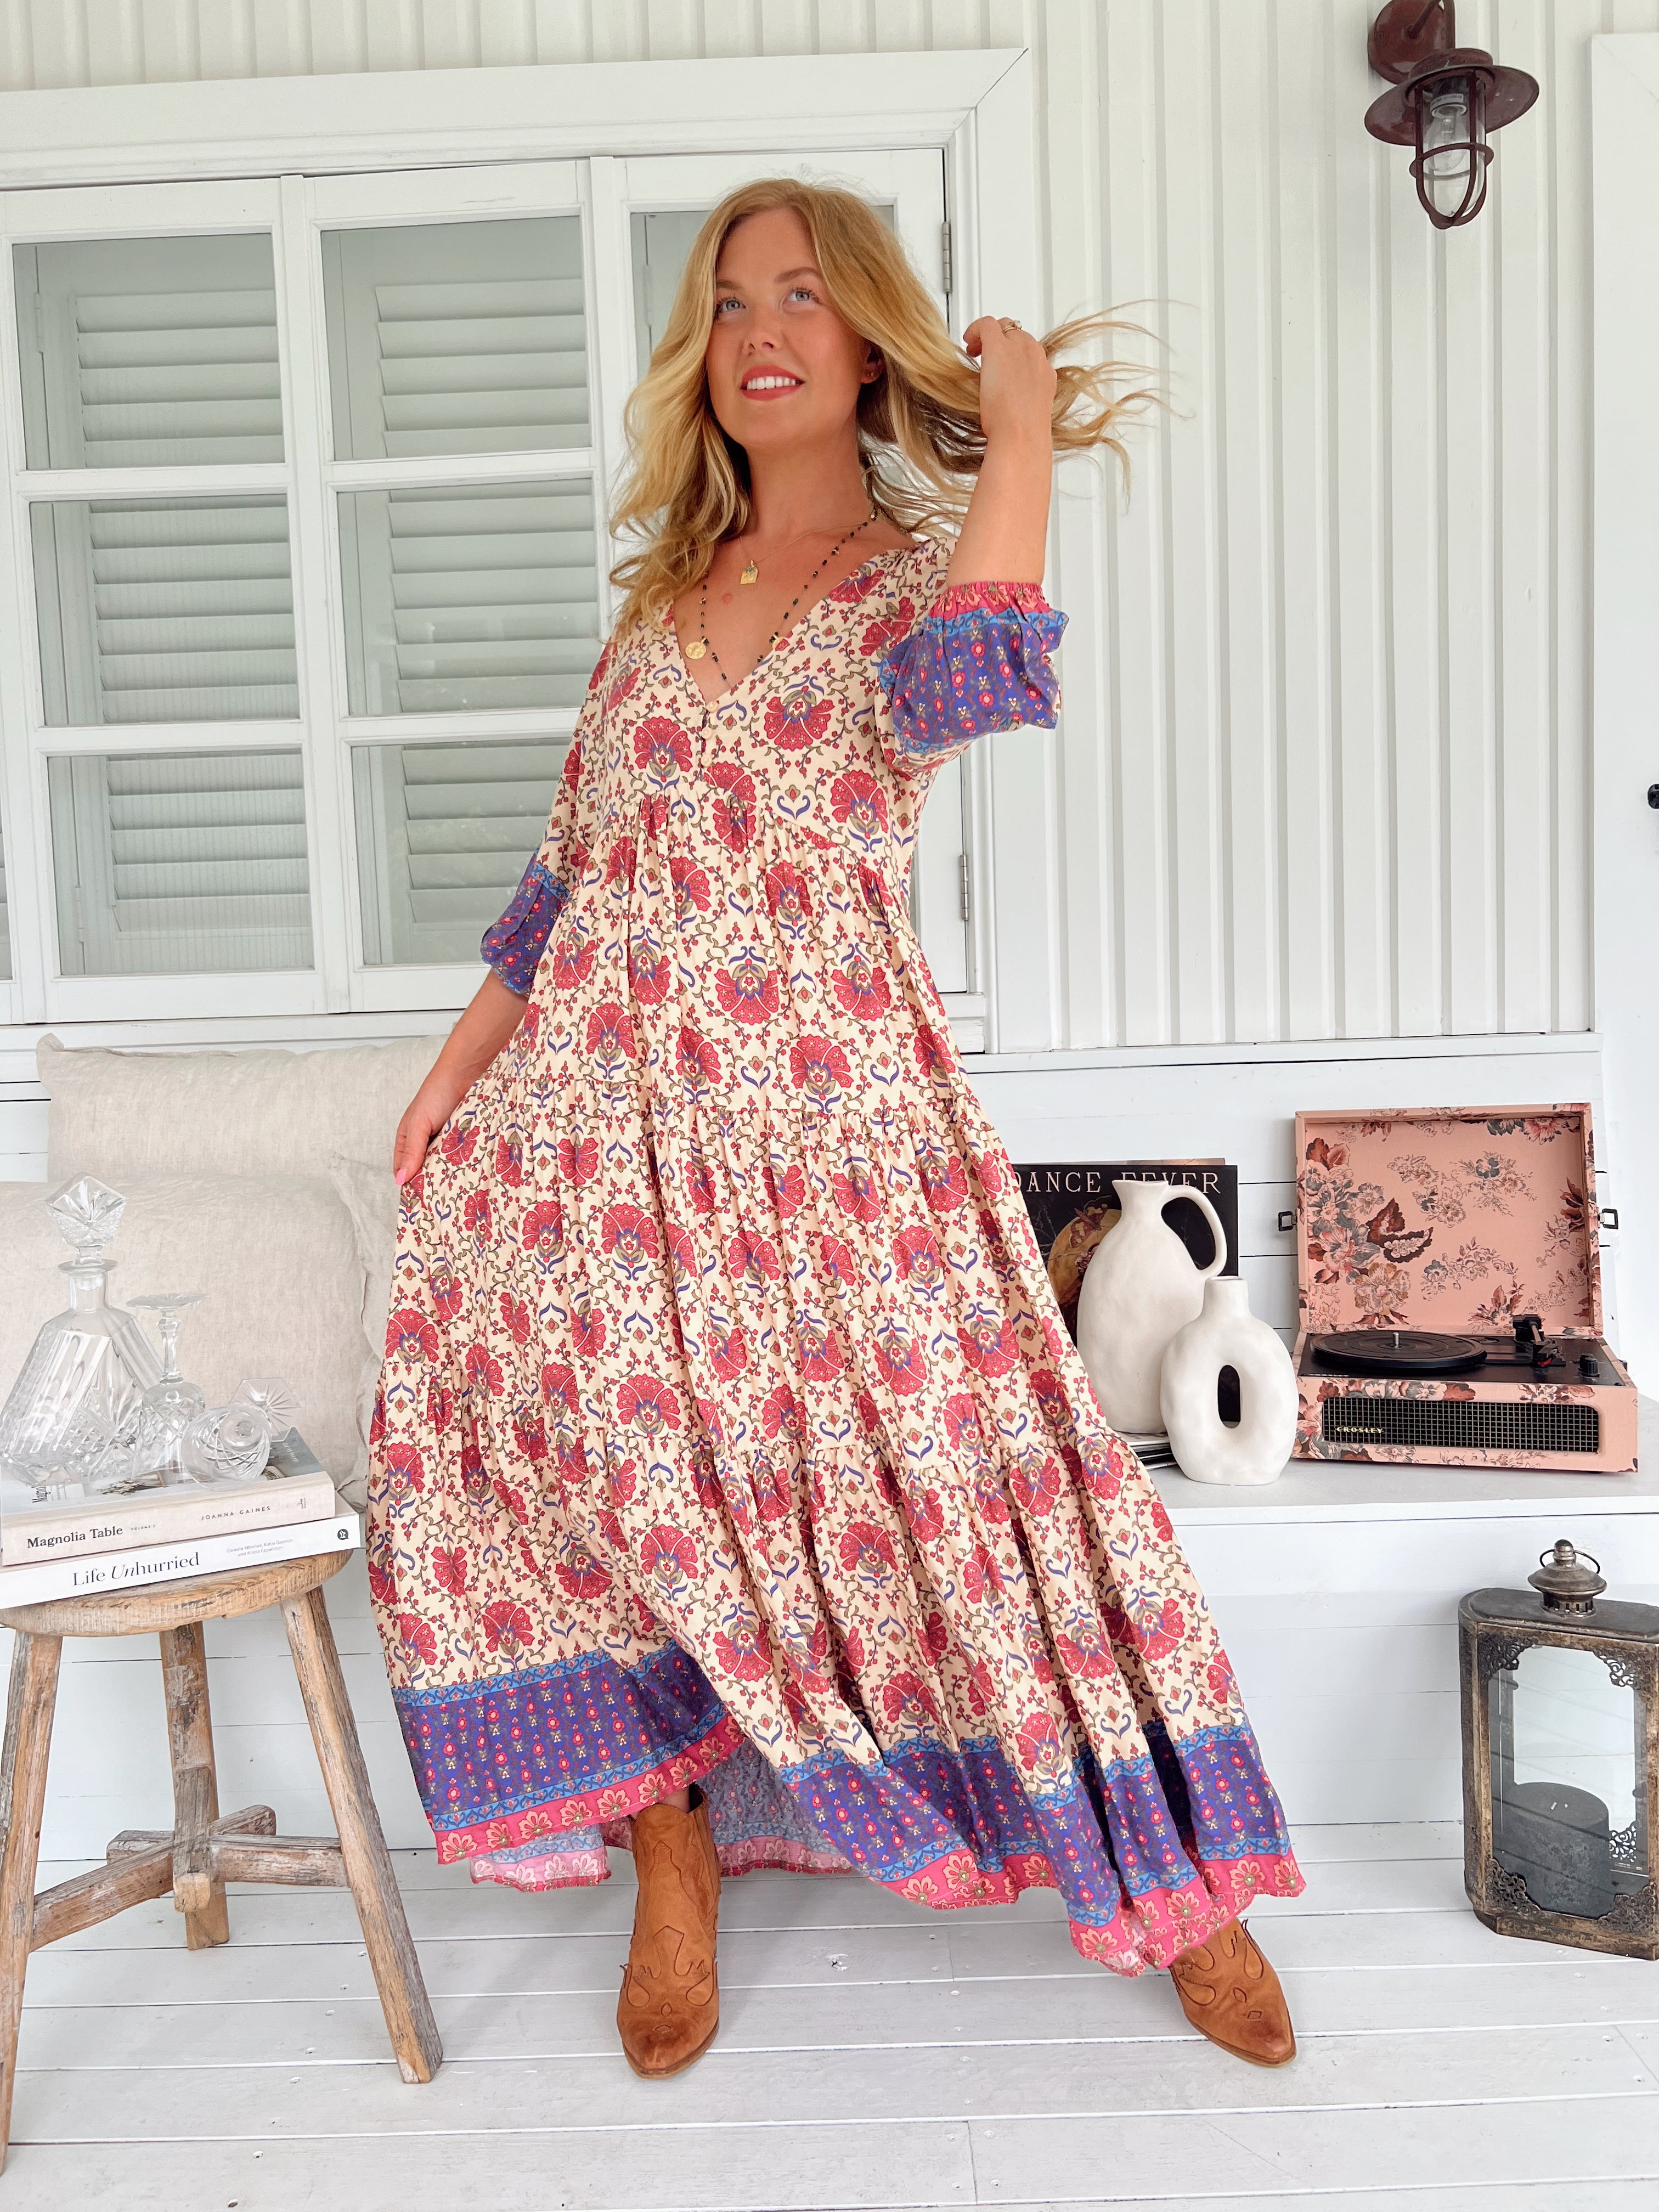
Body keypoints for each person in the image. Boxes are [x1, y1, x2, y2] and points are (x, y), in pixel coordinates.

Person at [369, 177, 1302, 2083]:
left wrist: (1019, 432)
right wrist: (458, 1071)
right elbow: (569, 877)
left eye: (801, 295)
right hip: (599, 1134)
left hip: (838, 1125)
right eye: (728, 304)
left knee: (981, 1474)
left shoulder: (906, 585)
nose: (760, 333)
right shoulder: (653, 612)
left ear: (870, 340)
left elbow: (984, 680)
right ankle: (671, 1848)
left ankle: (1173, 1879)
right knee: (611, 1466)